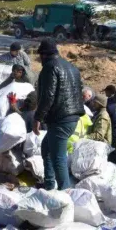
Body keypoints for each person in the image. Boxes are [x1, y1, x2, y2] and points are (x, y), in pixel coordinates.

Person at [34, 38, 84, 190]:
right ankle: (49, 184)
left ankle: (66, 193)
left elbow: (47, 96)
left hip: (61, 118)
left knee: (58, 157)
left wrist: (38, 118)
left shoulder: (50, 67)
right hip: (72, 116)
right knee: (46, 148)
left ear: (43, 55)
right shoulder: (72, 67)